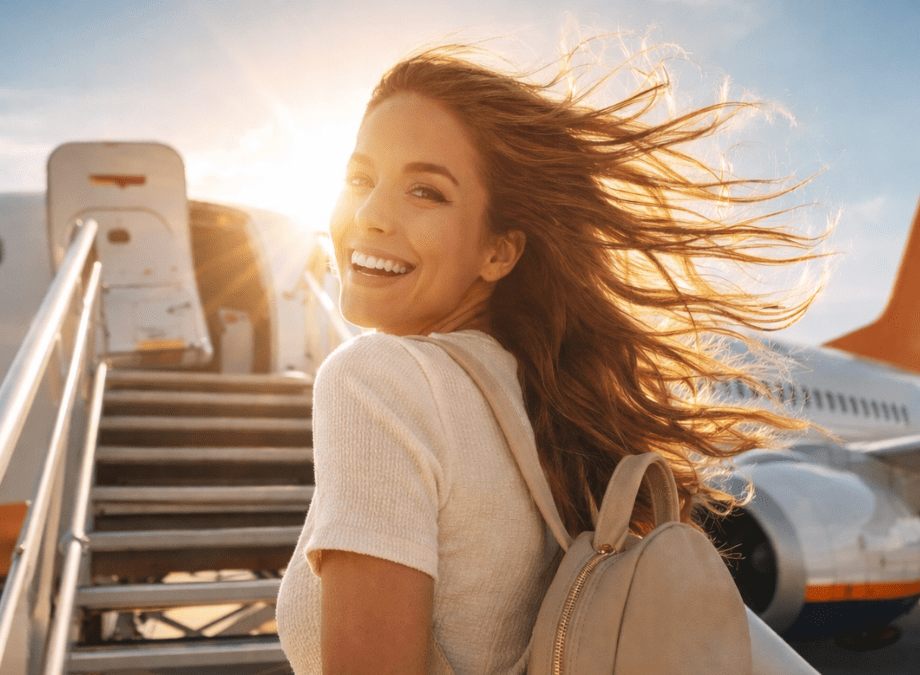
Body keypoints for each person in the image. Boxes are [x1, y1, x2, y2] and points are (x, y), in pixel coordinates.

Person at [275, 41, 818, 675]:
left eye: (426, 192)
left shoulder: (375, 379)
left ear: (499, 253)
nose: (369, 216)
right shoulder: (555, 408)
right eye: (360, 178)